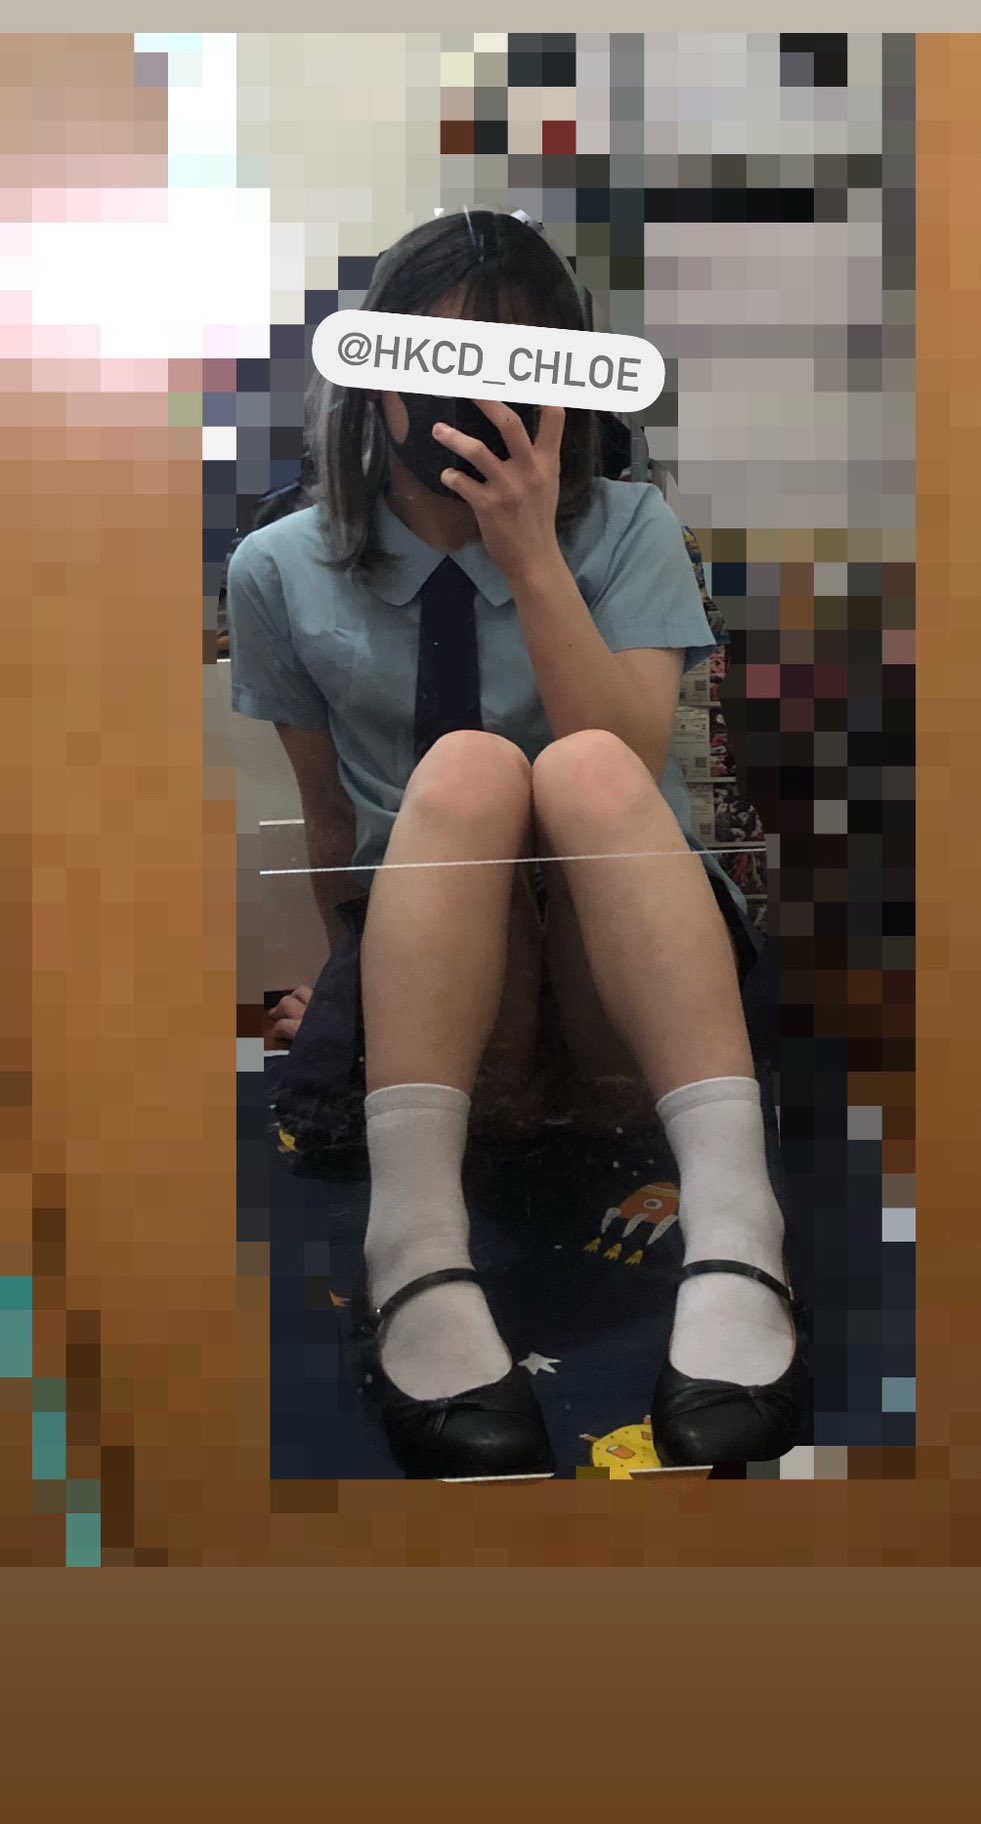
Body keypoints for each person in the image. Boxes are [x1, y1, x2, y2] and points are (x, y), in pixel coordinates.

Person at [226, 207, 808, 1479]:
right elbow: (330, 818)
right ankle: (414, 1243)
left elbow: (631, 756)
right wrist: (337, 986)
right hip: (446, 1003)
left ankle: (737, 1220)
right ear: (374, 375)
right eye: (437, 359)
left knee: (583, 764)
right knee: (469, 770)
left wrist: (532, 552)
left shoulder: (630, 527)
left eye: (513, 364)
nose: (470, 398)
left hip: (627, 993)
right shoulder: (276, 568)